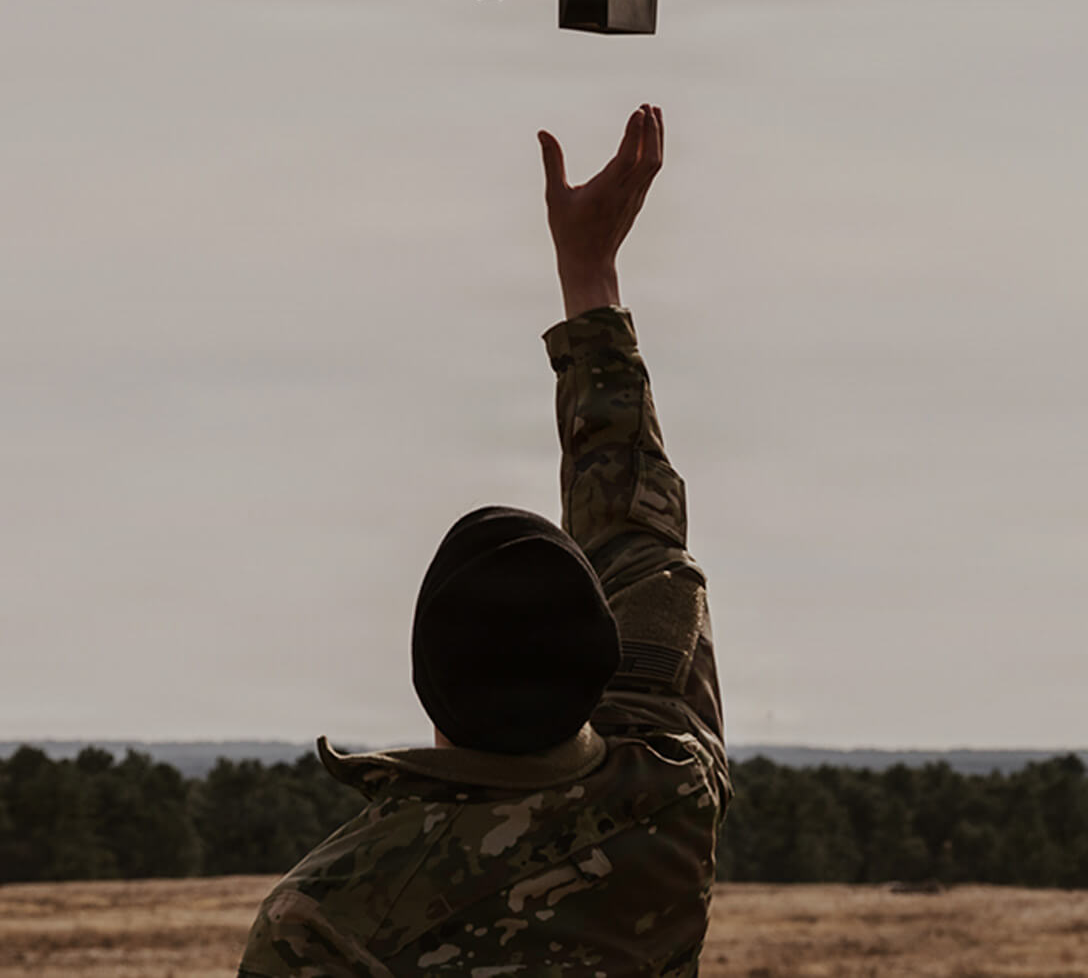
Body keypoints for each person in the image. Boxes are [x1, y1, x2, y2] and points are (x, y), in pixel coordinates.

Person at [236, 104, 729, 977]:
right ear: (598, 665)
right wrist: (592, 274)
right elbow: (641, 531)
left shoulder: (325, 915)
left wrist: (586, 271)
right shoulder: (669, 790)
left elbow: (639, 537)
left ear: (433, 689)